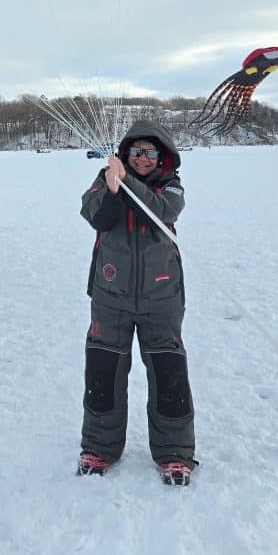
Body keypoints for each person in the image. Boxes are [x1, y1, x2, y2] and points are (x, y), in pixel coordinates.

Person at [76, 120, 197, 486]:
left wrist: (127, 182)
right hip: (110, 294)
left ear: (162, 156)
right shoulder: (107, 176)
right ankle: (99, 447)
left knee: (169, 374)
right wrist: (112, 188)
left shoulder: (171, 184)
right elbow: (94, 215)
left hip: (161, 298)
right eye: (135, 152)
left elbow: (163, 211)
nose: (142, 159)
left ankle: (175, 453)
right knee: (103, 371)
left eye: (150, 153)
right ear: (126, 152)